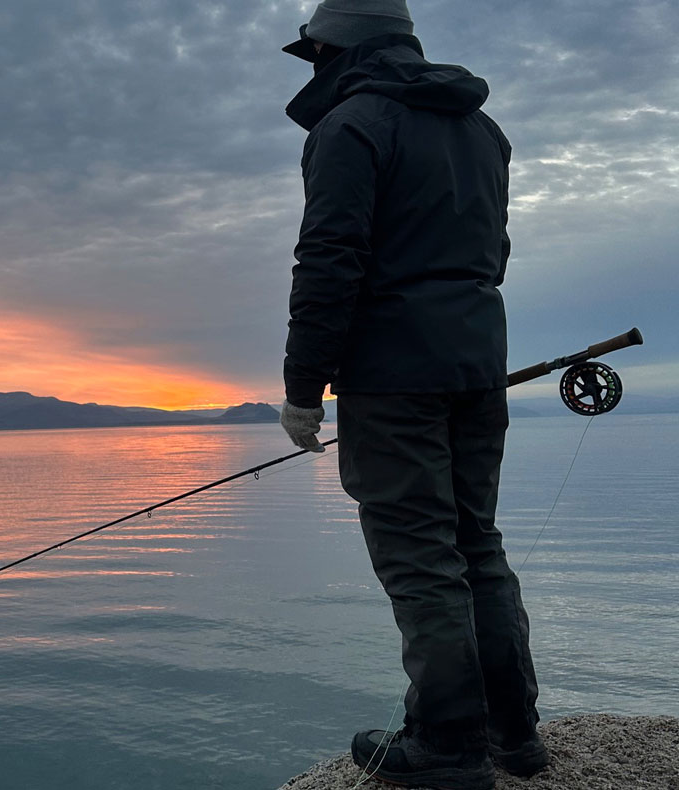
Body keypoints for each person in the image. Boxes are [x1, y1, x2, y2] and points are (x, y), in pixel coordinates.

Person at [276, 2, 549, 789]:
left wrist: (303, 388)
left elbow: (329, 258)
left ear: (340, 47)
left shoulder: (351, 126)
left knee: (422, 556)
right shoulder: (482, 130)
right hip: (477, 363)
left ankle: (449, 744)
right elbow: (493, 253)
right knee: (476, 543)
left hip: (394, 377)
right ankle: (514, 735)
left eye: (315, 51)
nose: (313, 64)